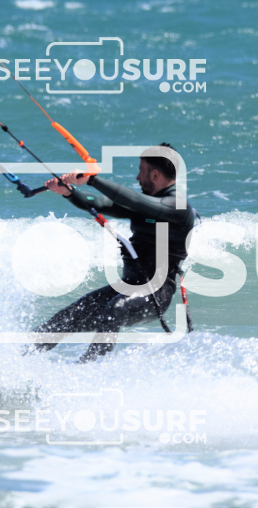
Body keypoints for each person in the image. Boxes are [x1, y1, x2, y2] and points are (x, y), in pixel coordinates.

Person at [31, 144, 196, 363]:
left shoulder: (178, 207)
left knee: (115, 309)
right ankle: (17, 359)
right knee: (67, 317)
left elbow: (134, 200)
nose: (137, 177)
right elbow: (100, 203)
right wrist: (69, 192)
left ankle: (89, 368)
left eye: (141, 171)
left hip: (155, 294)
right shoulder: (146, 205)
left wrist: (92, 180)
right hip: (127, 287)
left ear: (155, 175)